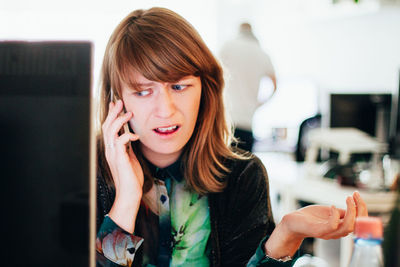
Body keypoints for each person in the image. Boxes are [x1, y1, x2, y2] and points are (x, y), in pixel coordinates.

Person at [96, 7, 368, 267]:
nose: (165, 110)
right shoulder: (89, 175)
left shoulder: (243, 176)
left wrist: (286, 234)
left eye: (179, 86)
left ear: (205, 89)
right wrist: (127, 199)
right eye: (143, 92)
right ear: (116, 100)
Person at [219, 22, 277, 152]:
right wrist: (259, 104)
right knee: (245, 169)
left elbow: (213, 75)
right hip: (247, 123)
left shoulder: (228, 47)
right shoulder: (262, 54)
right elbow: (274, 85)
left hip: (227, 122)